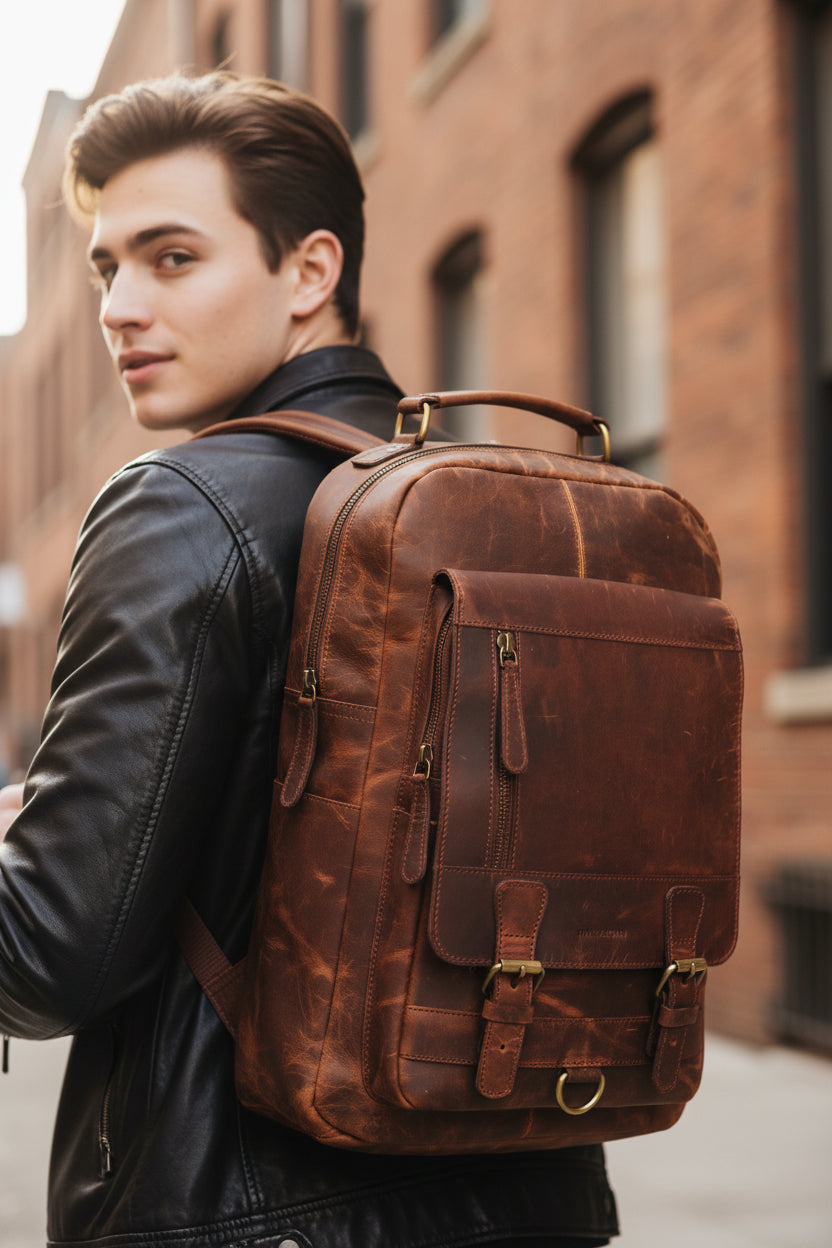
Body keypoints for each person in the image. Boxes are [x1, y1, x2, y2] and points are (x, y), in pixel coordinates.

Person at [0, 73, 619, 1248]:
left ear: (310, 272)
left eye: (171, 258)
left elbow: (48, 956)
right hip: (538, 1196)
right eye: (105, 267)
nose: (120, 306)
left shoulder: (180, 505)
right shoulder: (489, 500)